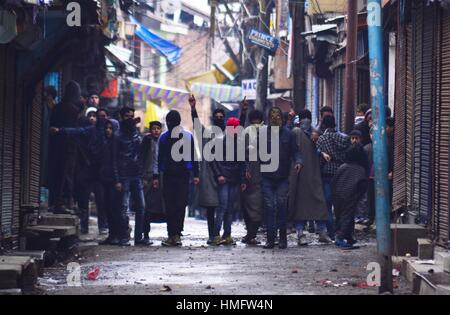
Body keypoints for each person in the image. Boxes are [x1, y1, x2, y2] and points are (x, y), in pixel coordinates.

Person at [50, 107, 108, 234]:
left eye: (104, 116)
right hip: (90, 170)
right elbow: (77, 131)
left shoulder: (109, 132)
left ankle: (103, 226)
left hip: (102, 172)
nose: (101, 119)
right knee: (83, 200)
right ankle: (84, 227)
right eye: (100, 116)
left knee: (101, 200)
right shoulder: (91, 130)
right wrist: (60, 130)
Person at [153, 110, 200, 247]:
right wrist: (195, 174)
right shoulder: (187, 136)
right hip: (182, 176)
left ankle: (173, 235)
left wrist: (157, 176)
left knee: (171, 206)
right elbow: (194, 157)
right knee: (179, 205)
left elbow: (159, 159)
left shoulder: (164, 137)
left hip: (170, 176)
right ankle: (176, 234)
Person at [260, 107, 303, 249]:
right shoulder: (263, 134)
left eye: (277, 117)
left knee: (281, 205)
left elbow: (296, 151)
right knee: (270, 207)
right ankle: (270, 239)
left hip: (283, 177)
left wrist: (298, 162)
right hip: (266, 176)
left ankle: (283, 238)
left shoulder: (288, 134)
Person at [289, 110, 332, 246]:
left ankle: (321, 232)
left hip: (311, 172)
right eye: (304, 118)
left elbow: (315, 146)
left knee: (318, 202)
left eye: (307, 118)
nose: (306, 121)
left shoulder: (314, 133)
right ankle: (301, 233)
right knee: (302, 204)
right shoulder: (296, 132)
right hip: (300, 173)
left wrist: (321, 152)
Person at [189, 95, 224, 245]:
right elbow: (197, 125)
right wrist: (193, 108)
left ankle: (223, 234)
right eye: (216, 117)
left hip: (227, 174)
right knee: (211, 207)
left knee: (224, 207)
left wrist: (242, 112)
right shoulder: (207, 134)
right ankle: (213, 235)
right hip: (210, 175)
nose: (219, 119)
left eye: (221, 117)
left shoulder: (230, 135)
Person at [210, 117, 246, 246]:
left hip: (234, 178)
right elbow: (212, 160)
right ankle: (216, 235)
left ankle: (227, 234)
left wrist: (242, 180)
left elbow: (242, 163)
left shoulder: (239, 143)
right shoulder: (219, 141)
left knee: (230, 207)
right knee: (223, 206)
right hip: (224, 178)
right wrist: (219, 175)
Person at [48, 80, 82, 214]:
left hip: (55, 147)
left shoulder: (57, 107)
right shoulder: (73, 110)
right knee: (66, 175)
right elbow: (74, 130)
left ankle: (56, 202)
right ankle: (62, 204)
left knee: (57, 175)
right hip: (68, 148)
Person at [115, 107, 146, 246]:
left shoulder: (136, 134)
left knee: (141, 206)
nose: (130, 118)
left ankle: (138, 237)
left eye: (131, 116)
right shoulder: (117, 135)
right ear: (121, 117)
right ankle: (124, 236)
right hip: (123, 175)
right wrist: (117, 179)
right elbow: (114, 159)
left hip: (136, 175)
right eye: (127, 116)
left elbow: (141, 155)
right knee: (123, 207)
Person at [316, 115, 351, 239]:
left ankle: (331, 232)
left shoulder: (322, 139)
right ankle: (341, 231)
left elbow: (318, 159)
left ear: (324, 125)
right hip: (343, 174)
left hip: (327, 174)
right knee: (341, 203)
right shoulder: (345, 139)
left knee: (328, 203)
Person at [98, 120, 130, 246]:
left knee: (116, 209)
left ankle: (121, 235)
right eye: (106, 128)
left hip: (115, 181)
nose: (108, 130)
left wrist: (118, 180)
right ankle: (113, 235)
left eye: (110, 128)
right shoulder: (106, 142)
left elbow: (117, 162)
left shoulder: (116, 142)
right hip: (106, 180)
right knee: (109, 209)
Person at [332, 145, 368, 249]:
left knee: (342, 217)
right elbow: (362, 186)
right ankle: (340, 237)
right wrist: (358, 197)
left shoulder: (342, 167)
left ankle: (348, 237)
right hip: (350, 196)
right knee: (347, 217)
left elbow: (334, 181)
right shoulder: (360, 169)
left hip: (337, 195)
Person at [241, 109, 265, 245]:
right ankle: (251, 234)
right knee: (257, 205)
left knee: (249, 205)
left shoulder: (247, 131)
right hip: (261, 173)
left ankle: (250, 234)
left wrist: (245, 169)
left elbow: (242, 153)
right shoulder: (268, 131)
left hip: (251, 173)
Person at [141, 121, 164, 245]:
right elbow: (141, 158)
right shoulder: (146, 141)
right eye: (153, 128)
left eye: (158, 128)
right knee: (146, 207)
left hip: (160, 177)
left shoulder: (164, 141)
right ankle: (145, 234)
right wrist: (143, 177)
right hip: (148, 177)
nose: (156, 131)